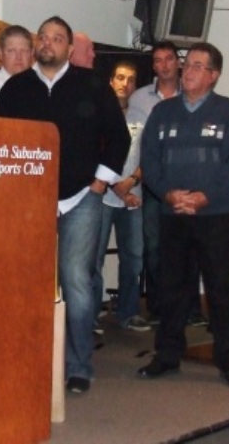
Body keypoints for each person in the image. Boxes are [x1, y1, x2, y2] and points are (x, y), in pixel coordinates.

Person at [0, 16, 130, 394]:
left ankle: (78, 366)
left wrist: (100, 183)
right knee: (28, 282)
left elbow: (118, 138)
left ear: (70, 48)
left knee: (77, 282)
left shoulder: (92, 86)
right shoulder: (15, 89)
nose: (49, 43)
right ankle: (31, 360)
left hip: (81, 199)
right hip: (28, 202)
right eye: (44, 37)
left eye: (58, 38)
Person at [138, 42, 229, 388]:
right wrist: (167, 194)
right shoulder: (162, 113)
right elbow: (151, 162)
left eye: (199, 66)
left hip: (214, 215)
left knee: (220, 288)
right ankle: (168, 355)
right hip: (172, 214)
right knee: (171, 288)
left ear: (213, 76)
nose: (189, 70)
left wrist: (204, 196)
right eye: (188, 64)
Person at [130, 41, 205, 327]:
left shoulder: (194, 95)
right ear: (153, 65)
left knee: (190, 246)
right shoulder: (139, 99)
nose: (163, 65)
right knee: (154, 246)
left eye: (169, 59)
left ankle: (191, 308)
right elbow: (135, 142)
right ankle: (161, 307)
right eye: (157, 60)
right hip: (153, 183)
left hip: (189, 182)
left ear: (179, 62)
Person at [93, 60, 150, 332]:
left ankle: (128, 313)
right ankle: (90, 316)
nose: (124, 83)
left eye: (130, 79)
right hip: (102, 197)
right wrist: (118, 187)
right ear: (111, 81)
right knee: (95, 258)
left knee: (134, 257)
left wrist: (131, 183)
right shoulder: (98, 114)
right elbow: (94, 155)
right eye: (119, 77)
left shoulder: (142, 118)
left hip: (133, 198)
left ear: (134, 86)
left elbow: (150, 158)